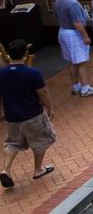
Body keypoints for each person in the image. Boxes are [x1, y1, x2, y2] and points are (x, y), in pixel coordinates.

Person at [0, 40, 56, 187]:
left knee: (13, 143)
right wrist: (50, 108)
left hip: (12, 117)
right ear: (25, 54)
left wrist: (2, 111)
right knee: (41, 141)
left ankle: (5, 170)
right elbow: (42, 92)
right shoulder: (33, 73)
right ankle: (38, 170)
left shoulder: (2, 74)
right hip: (33, 114)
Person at [53, 0, 93, 97]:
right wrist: (85, 36)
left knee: (72, 61)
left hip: (62, 31)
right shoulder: (73, 3)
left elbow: (55, 17)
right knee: (81, 61)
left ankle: (76, 86)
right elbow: (77, 23)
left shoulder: (58, 1)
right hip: (73, 34)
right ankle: (85, 88)